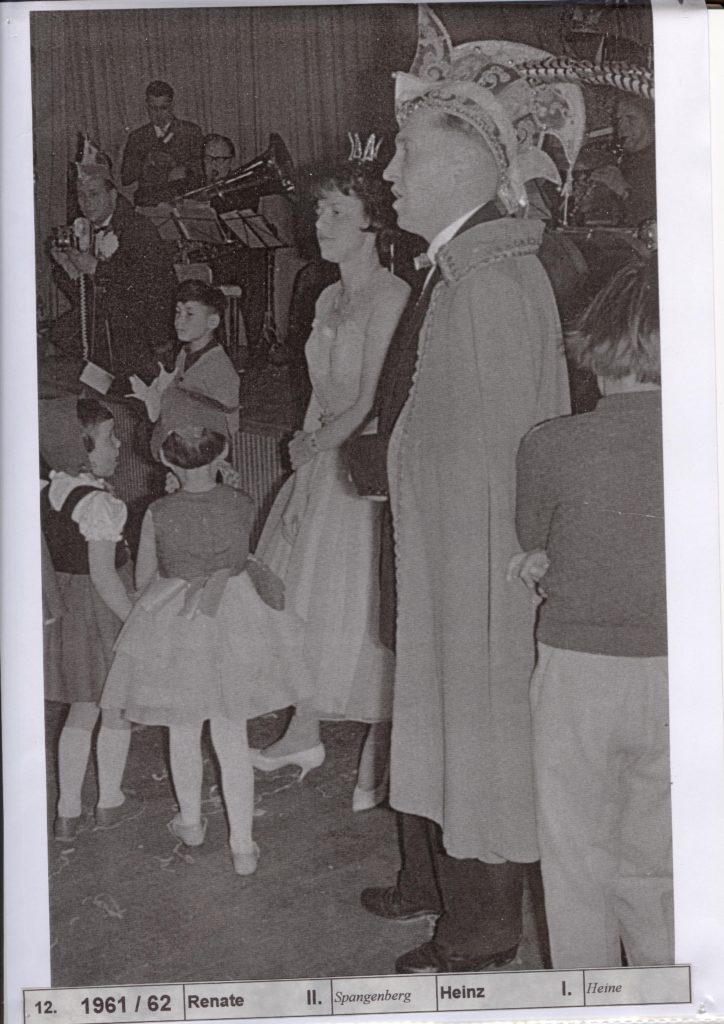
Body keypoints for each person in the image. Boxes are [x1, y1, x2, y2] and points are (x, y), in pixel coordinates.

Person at [352, 7, 579, 974]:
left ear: (464, 166)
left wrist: (384, 461)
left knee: (477, 728)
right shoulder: (468, 268)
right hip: (450, 552)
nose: (390, 173)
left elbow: (491, 468)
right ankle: (447, 897)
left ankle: (482, 931)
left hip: (476, 566)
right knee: (449, 721)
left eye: (406, 152)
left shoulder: (487, 283)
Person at [511, 257, 671, 969]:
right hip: (684, 673)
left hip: (578, 674)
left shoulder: (551, 444)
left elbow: (534, 541)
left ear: (595, 346)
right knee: (661, 865)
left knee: (575, 859)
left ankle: (589, 1002)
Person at [251, 154, 410, 809]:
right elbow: (321, 390)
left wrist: (318, 445)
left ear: (373, 223)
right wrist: (302, 456)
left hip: (365, 463)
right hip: (323, 454)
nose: (320, 223)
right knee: (306, 604)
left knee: (363, 609)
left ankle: (384, 753)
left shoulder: (392, 295)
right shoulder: (324, 295)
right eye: (319, 210)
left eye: (336, 212)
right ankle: (304, 732)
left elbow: (371, 399)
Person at [101, 404, 310, 875]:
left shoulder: (158, 511)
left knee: (182, 728)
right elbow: (238, 550)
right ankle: (243, 846)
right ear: (224, 453)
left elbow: (146, 577)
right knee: (231, 732)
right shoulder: (241, 501)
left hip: (180, 619)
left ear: (165, 460)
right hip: (235, 616)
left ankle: (191, 823)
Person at [40, 397, 136, 841]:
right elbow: (103, 575)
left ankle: (67, 812)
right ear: (81, 448)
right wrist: (134, 621)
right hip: (102, 611)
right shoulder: (99, 504)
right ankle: (109, 801)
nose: (118, 446)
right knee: (114, 707)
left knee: (82, 708)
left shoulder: (53, 490)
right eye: (109, 438)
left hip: (69, 610)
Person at [50, 147, 176, 392]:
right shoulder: (84, 230)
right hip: (108, 317)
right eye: (81, 195)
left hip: (143, 321)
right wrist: (68, 267)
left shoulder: (137, 228)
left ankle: (123, 388)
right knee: (62, 332)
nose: (86, 203)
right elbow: (83, 297)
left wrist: (95, 267)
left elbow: (146, 285)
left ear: (113, 195)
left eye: (94, 194)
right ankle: (106, 387)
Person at [128, 279, 240, 457]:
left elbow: (228, 426)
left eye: (190, 314)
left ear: (212, 321)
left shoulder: (219, 367)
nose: (179, 321)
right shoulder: (184, 353)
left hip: (203, 456)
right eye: (177, 312)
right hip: (179, 448)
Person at [121, 80, 204, 207]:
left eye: (163, 108)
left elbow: (203, 168)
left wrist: (184, 169)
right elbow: (126, 178)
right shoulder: (137, 137)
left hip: (184, 202)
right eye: (153, 108)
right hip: (150, 204)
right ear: (146, 105)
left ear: (172, 105)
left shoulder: (191, 132)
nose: (158, 114)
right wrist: (145, 163)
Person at [590, 93, 656, 225]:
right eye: (619, 120)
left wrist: (623, 190)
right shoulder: (624, 159)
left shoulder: (664, 159)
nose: (622, 126)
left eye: (631, 118)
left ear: (652, 121)